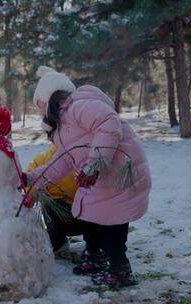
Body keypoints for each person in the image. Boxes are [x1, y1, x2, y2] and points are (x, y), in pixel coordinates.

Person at [24, 66, 152, 287]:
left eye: (40, 105)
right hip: (98, 177)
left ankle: (120, 269)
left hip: (118, 173)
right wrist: (33, 178)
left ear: (52, 98)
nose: (40, 112)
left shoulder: (78, 107)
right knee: (92, 216)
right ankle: (96, 256)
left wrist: (95, 162)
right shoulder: (63, 129)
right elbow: (62, 162)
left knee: (111, 224)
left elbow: (108, 123)